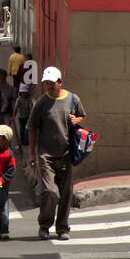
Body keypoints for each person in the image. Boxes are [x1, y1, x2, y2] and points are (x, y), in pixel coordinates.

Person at [27, 65, 87, 241]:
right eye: (46, 83)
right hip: (46, 155)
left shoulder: (72, 99)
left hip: (67, 153)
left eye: (52, 83)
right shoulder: (41, 103)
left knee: (66, 192)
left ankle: (62, 227)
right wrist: (32, 154)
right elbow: (32, 128)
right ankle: (44, 224)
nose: (49, 87)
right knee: (51, 191)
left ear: (60, 82)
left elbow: (81, 115)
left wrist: (77, 119)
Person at [13, 81, 34, 151]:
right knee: (21, 129)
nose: (24, 94)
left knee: (26, 129)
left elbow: (30, 108)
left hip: (27, 117)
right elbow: (16, 108)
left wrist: (31, 116)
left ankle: (26, 140)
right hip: (20, 117)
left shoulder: (29, 100)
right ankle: (22, 140)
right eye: (22, 93)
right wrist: (13, 116)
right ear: (20, 93)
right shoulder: (18, 100)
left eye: (25, 93)